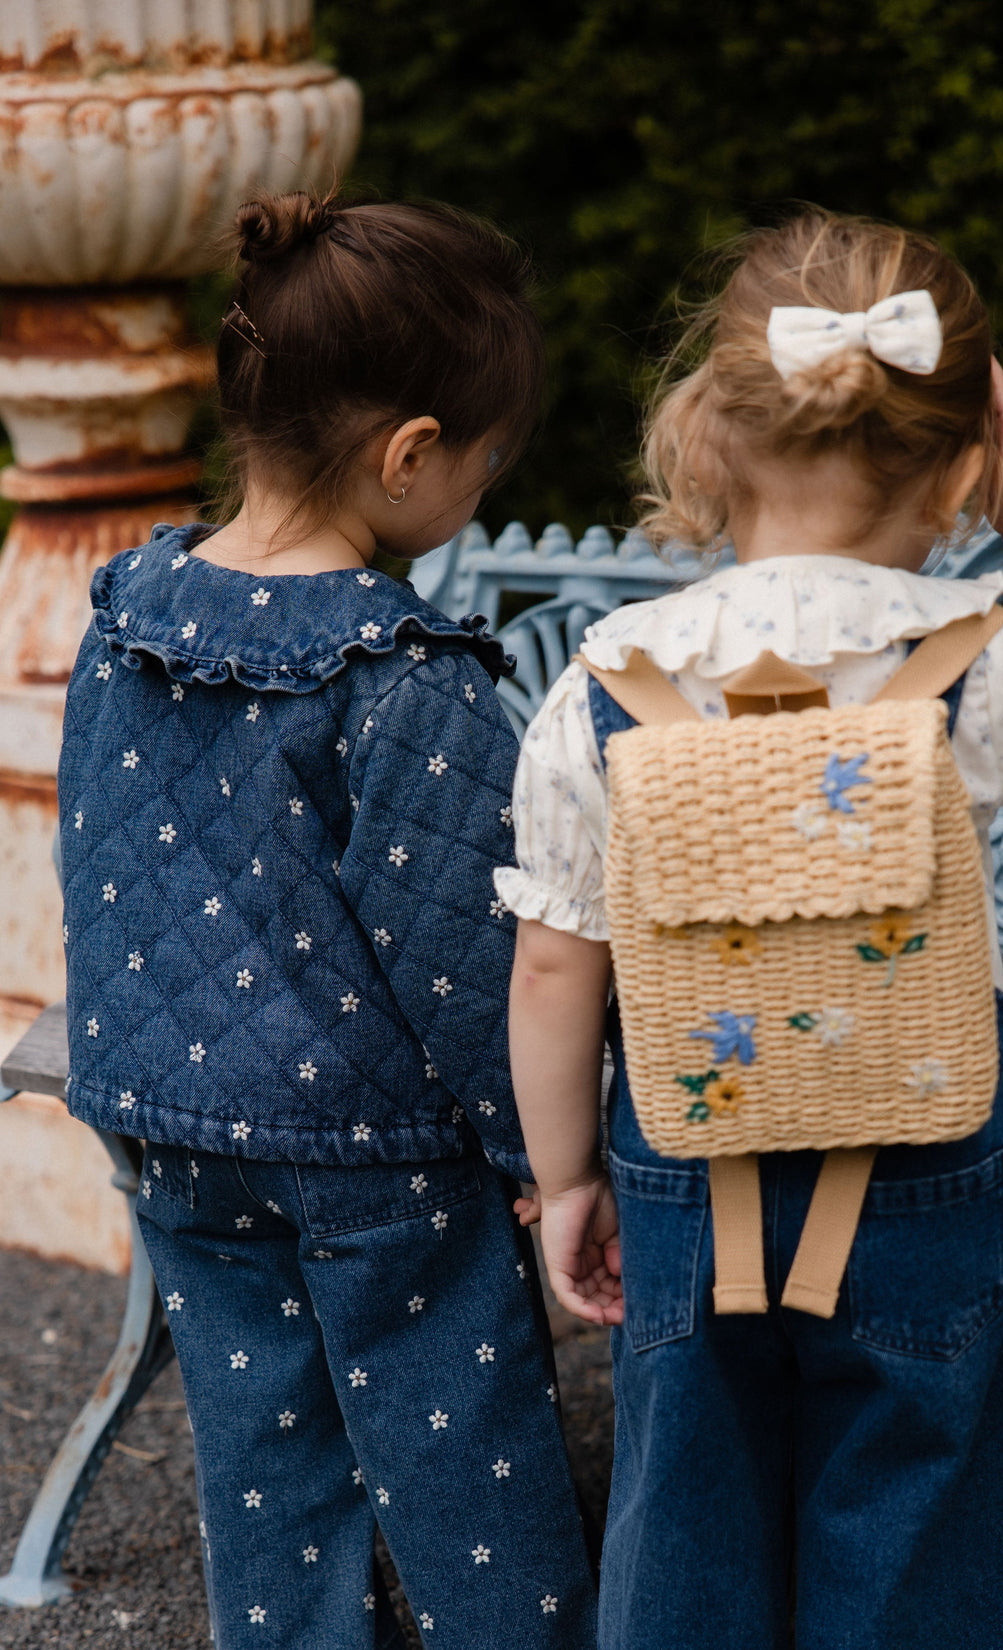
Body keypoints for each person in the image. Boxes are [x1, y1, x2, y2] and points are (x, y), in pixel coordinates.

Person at [497, 209, 1003, 1650]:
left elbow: (554, 957)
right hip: (928, 1150)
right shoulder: (989, 651)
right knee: (922, 1509)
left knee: (687, 1506)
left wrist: (567, 1176)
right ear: (970, 455)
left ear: (705, 439)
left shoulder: (604, 685)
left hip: (688, 1160)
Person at [57, 191, 597, 1650]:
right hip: (371, 1152)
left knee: (265, 1448)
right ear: (410, 455)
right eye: (483, 469)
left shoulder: (127, 614)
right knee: (458, 1452)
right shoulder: (401, 675)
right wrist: (545, 1158)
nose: (475, 495)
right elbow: (471, 957)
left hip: (169, 1126)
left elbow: (102, 858)